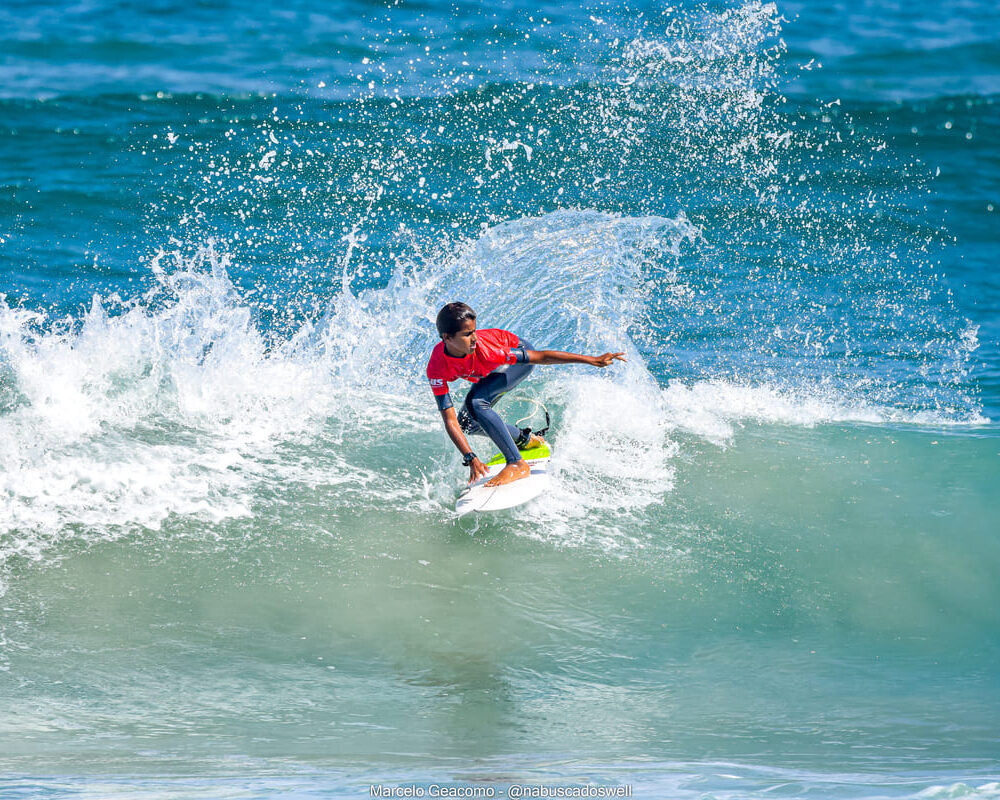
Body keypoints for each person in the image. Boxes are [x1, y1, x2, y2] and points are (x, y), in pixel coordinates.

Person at [427, 301, 626, 487]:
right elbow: (450, 421)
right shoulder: (436, 367)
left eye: (475, 331)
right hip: (495, 366)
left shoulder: (488, 351)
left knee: (477, 402)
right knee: (466, 423)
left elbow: (540, 356)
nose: (475, 338)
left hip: (519, 353)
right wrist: (470, 456)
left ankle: (516, 463)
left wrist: (591, 360)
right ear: (447, 338)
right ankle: (525, 440)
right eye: (467, 334)